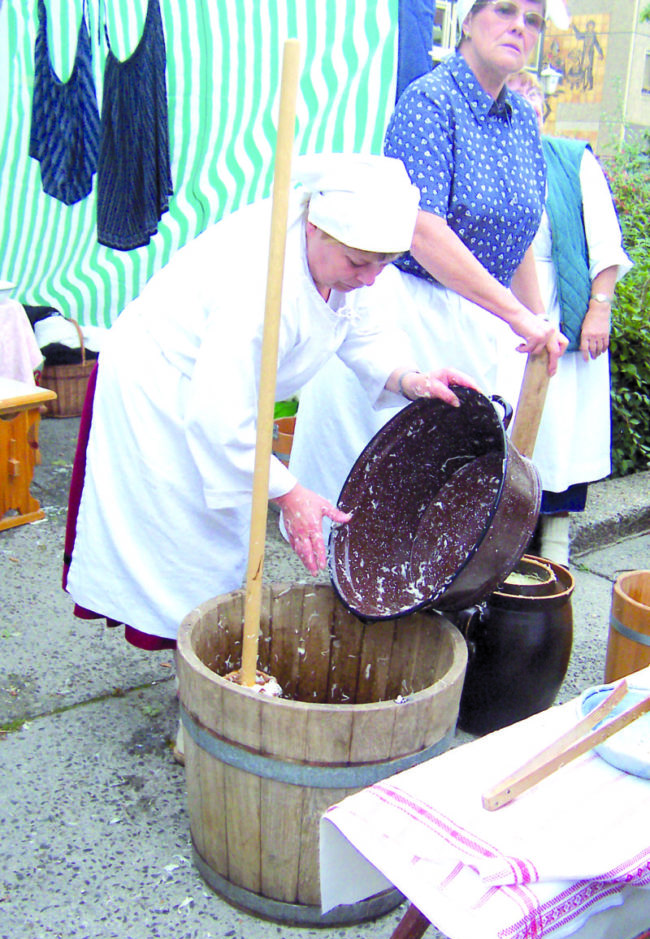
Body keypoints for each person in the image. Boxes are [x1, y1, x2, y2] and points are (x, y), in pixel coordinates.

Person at [63, 153, 477, 654]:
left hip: (226, 394)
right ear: (315, 231)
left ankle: (205, 660)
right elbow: (221, 420)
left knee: (220, 536)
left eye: (384, 265)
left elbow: (362, 332)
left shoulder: (349, 258)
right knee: (179, 538)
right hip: (163, 385)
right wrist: (290, 492)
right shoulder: (259, 287)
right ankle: (197, 666)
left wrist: (412, 379)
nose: (370, 278)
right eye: (359, 264)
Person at [286, 0, 567, 526]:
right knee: (377, 484)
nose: (518, 27)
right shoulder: (430, 101)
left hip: (481, 322)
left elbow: (520, 230)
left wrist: (536, 321)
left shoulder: (524, 120)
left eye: (533, 20)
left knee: (444, 491)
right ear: (467, 18)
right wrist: (517, 315)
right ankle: (346, 598)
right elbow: (422, 230)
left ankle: (424, 607)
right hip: (407, 312)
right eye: (505, 10)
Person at [503, 70, 632, 564]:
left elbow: (605, 244)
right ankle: (499, 533)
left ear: (541, 118)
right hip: (498, 304)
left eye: (528, 116)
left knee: (560, 424)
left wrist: (599, 308)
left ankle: (554, 535)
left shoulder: (571, 160)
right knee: (503, 419)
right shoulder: (487, 162)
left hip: (559, 304)